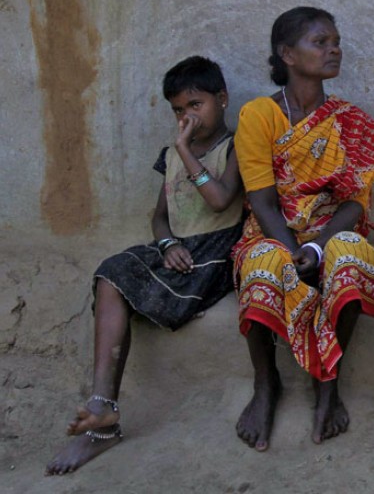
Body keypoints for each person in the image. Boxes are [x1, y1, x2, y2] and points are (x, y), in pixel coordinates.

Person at [46, 56, 244, 475]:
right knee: (111, 270)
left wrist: (185, 152)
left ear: (222, 99)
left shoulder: (237, 147)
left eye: (196, 105)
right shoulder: (170, 156)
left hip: (217, 248)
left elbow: (221, 200)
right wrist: (167, 241)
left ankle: (101, 419)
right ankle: (102, 411)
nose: (187, 117)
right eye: (178, 110)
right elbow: (160, 216)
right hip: (182, 244)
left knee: (132, 276)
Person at [232, 6, 374, 451]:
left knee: (350, 258)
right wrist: (291, 247)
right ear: (287, 54)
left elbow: (355, 200)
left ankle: (329, 385)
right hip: (272, 228)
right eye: (320, 42)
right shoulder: (258, 115)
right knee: (263, 265)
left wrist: (318, 248)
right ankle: (266, 384)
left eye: (335, 41)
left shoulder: (348, 121)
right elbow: (261, 199)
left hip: (328, 229)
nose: (334, 49)